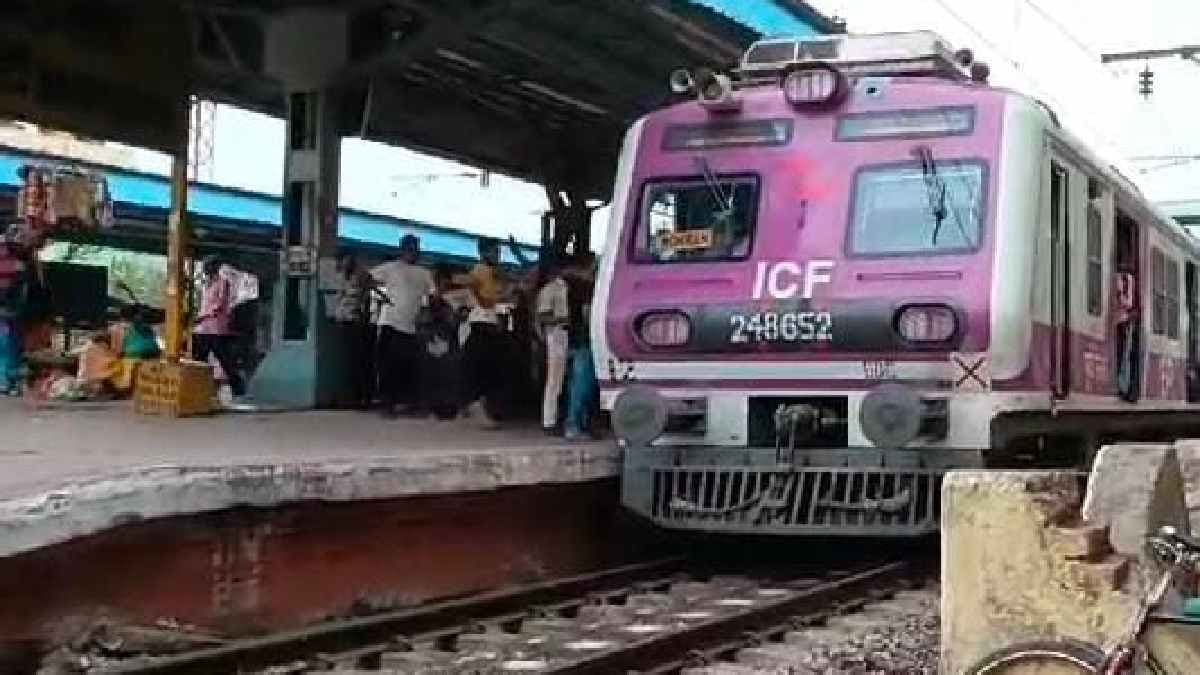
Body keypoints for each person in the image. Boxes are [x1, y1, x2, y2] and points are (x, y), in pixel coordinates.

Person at [455, 237, 523, 428]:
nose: (497, 255)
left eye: (498, 252)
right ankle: (475, 404)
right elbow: (484, 300)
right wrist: (505, 294)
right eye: (494, 252)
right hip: (482, 322)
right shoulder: (480, 271)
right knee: (482, 367)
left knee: (492, 369)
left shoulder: (495, 272)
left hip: (492, 322)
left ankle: (483, 405)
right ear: (484, 252)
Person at [371, 234, 436, 418]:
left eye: (415, 248)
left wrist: (427, 314)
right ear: (402, 250)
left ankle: (407, 403)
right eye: (409, 248)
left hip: (410, 325)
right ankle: (387, 405)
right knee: (387, 366)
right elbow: (367, 278)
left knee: (408, 366)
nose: (413, 251)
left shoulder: (424, 273)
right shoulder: (390, 268)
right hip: (389, 322)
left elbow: (431, 296)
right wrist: (380, 295)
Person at [193, 256, 244, 398]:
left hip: (216, 328)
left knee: (224, 359)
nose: (205, 269)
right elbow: (205, 304)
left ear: (215, 267)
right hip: (203, 328)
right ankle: (197, 387)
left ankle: (238, 389)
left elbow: (220, 304)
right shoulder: (206, 284)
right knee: (198, 360)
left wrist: (204, 315)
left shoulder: (223, 283)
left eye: (207, 266)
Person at [332, 252, 374, 409]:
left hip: (355, 322)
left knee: (357, 361)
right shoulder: (343, 278)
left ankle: (359, 396)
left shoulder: (360, 277)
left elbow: (362, 299)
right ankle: (352, 396)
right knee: (349, 361)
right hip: (345, 320)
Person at [564, 253, 598, 441]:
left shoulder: (572, 287)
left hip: (578, 340)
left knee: (581, 385)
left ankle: (579, 424)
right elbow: (587, 316)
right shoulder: (585, 288)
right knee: (582, 385)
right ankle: (574, 424)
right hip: (584, 341)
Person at [535, 256, 569, 434]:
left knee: (560, 379)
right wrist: (562, 319)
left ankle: (555, 417)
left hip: (563, 332)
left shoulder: (563, 287)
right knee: (554, 379)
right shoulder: (549, 290)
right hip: (556, 333)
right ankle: (549, 421)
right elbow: (543, 316)